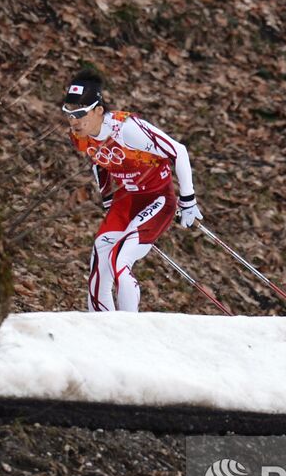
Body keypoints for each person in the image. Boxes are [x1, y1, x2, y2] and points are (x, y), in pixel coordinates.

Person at [62, 70, 200, 312]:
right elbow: (100, 163)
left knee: (119, 260)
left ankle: (130, 328)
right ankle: (102, 327)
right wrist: (106, 198)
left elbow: (179, 151)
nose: (74, 121)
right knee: (100, 256)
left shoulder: (127, 128)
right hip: (127, 199)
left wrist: (188, 200)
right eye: (69, 113)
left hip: (158, 198)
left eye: (80, 114)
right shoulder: (79, 136)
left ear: (98, 111)